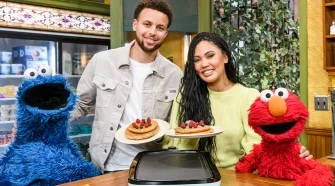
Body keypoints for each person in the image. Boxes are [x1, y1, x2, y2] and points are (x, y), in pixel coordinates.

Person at [162, 32, 312, 170]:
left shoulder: (248, 97)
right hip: (193, 174)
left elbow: (256, 149)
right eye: (197, 60)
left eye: (210, 56)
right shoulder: (185, 97)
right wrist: (190, 136)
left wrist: (291, 155)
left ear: (225, 57)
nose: (204, 64)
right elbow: (173, 147)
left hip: (238, 176)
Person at [70, 0, 183, 173]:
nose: (152, 32)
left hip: (152, 166)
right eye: (147, 24)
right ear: (135, 24)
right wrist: (37, 123)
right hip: (105, 165)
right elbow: (80, 104)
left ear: (166, 32)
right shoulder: (102, 61)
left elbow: (174, 123)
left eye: (160, 28)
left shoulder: (175, 75)